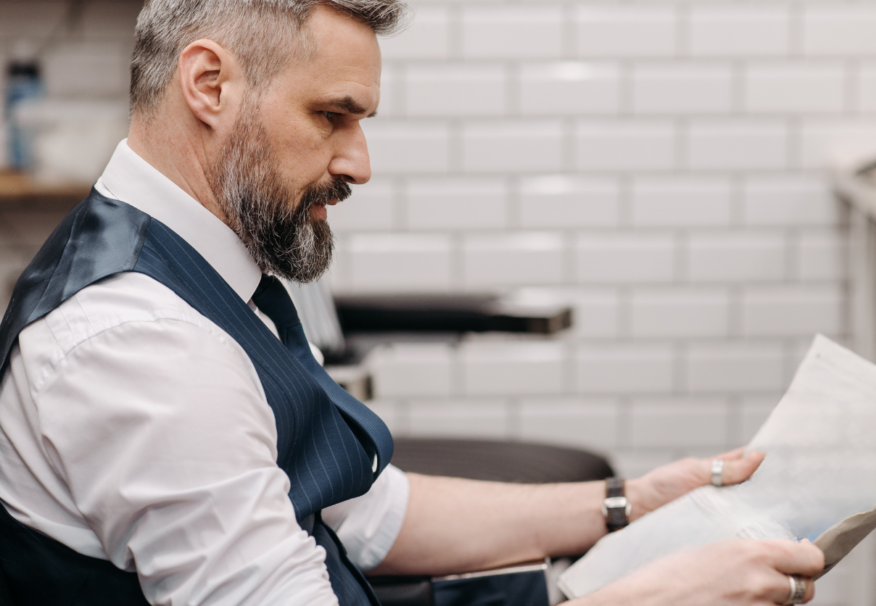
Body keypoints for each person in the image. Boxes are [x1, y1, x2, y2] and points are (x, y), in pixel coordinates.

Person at [0, 1, 824, 605]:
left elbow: (365, 512)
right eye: (331, 116)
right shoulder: (139, 342)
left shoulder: (206, 267)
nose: (358, 163)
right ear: (209, 84)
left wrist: (627, 504)